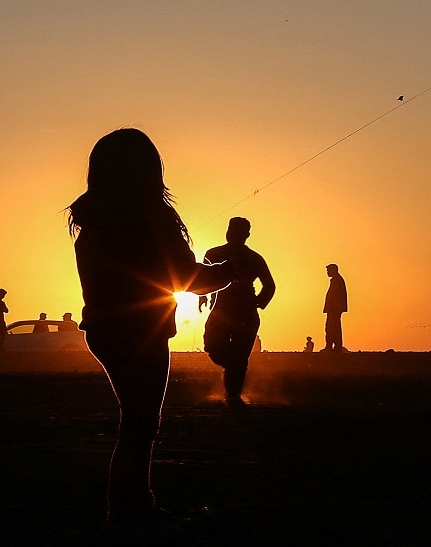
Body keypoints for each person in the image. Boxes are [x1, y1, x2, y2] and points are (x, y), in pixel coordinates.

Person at [68, 128, 234, 526]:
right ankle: (130, 509)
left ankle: (130, 506)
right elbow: (185, 278)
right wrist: (227, 273)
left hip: (102, 330)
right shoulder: (151, 217)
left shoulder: (92, 221)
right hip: (142, 331)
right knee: (141, 423)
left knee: (135, 419)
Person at [201, 217, 276, 406]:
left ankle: (233, 395)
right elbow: (201, 278)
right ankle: (232, 380)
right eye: (231, 230)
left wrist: (258, 302)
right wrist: (202, 296)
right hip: (222, 311)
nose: (233, 234)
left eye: (238, 231)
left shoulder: (255, 258)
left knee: (240, 356)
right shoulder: (214, 254)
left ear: (247, 235)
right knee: (214, 347)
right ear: (227, 231)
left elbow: (269, 285)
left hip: (245, 312)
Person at [323, 263, 348, 352]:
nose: (327, 272)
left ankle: (331, 347)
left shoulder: (336, 280)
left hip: (334, 309)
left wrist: (331, 307)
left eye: (328, 270)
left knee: (332, 327)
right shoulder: (337, 280)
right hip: (334, 309)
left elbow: (334, 296)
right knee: (332, 327)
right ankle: (333, 346)